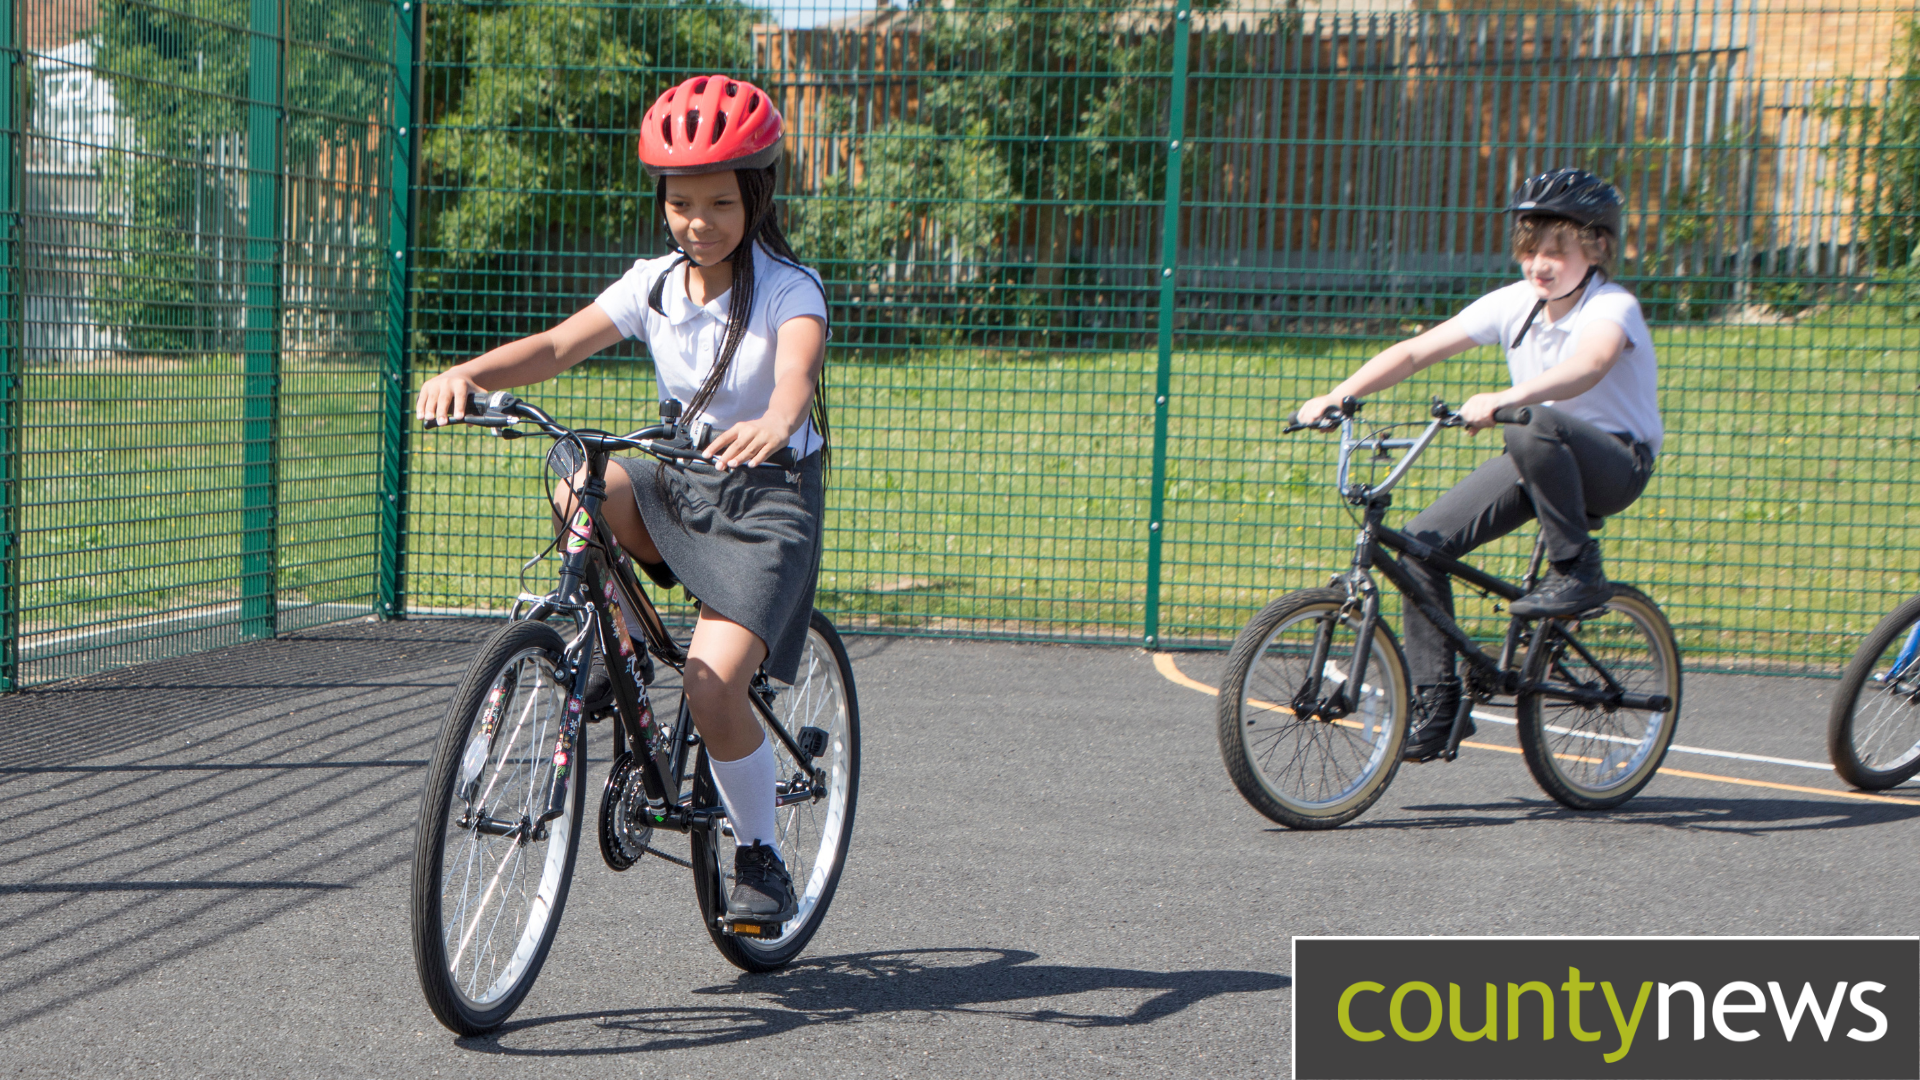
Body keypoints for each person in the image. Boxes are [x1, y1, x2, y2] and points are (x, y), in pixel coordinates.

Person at [416, 74, 830, 924]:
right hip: (678, 474)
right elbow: (557, 345)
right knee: (580, 476)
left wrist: (777, 422)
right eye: (681, 203)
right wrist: (467, 373)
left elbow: (795, 374)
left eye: (719, 201)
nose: (698, 222)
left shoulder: (791, 288)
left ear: (756, 195)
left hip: (765, 502)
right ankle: (619, 645)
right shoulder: (654, 284)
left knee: (715, 690)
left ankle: (761, 854)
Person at [1292, 168, 1662, 763]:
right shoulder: (1517, 305)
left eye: (1556, 250)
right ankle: (1438, 705)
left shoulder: (1611, 306)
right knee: (1418, 548)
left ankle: (1577, 569)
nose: (1538, 264)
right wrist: (1340, 395)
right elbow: (1416, 351)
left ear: (1596, 247)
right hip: (1538, 450)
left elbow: (1590, 366)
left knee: (1532, 417)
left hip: (1616, 463)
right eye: (1529, 249)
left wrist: (1507, 400)